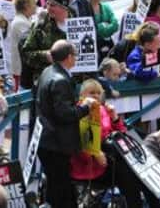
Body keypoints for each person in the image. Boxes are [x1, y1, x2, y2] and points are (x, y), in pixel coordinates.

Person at [36, 40, 96, 208]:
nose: (76, 58)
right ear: (69, 57)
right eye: (75, 55)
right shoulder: (60, 80)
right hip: (56, 144)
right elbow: (64, 114)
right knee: (60, 190)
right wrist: (86, 107)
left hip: (48, 140)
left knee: (57, 188)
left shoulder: (47, 71)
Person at [21, 0, 71, 87]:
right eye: (47, 4)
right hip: (48, 80)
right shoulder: (41, 25)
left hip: (73, 78)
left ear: (63, 7)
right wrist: (45, 56)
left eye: (52, 5)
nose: (48, 8)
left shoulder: (78, 22)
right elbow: (26, 53)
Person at [9, 0, 37, 90]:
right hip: (20, 70)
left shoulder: (26, 20)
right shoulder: (20, 22)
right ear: (26, 5)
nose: (36, 6)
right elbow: (31, 43)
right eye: (34, 4)